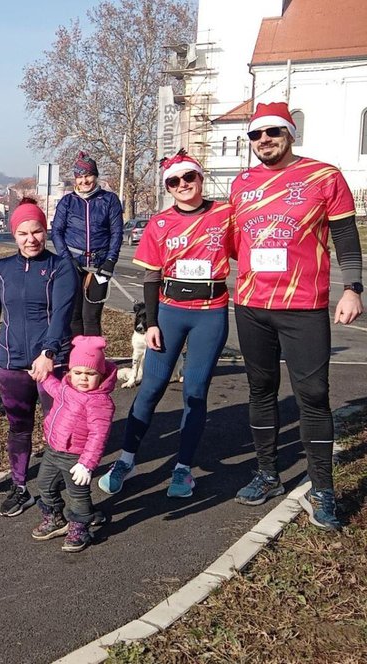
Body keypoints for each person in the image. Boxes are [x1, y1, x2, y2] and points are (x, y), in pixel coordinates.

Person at [228, 101, 362, 532]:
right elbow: (232, 239)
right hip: (251, 305)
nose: (264, 140)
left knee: (313, 395)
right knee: (261, 389)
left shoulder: (325, 176)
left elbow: (343, 234)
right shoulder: (241, 182)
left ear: (289, 133)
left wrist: (353, 288)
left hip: (303, 306)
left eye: (273, 132)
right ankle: (267, 474)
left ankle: (323, 488)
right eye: (256, 134)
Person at [96, 151, 233, 499]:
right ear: (168, 187)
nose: (183, 185)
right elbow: (151, 276)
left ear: (201, 179)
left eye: (190, 178)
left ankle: (183, 469)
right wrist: (152, 323)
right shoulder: (158, 223)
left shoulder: (225, 214)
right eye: (174, 181)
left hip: (210, 313)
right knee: (151, 388)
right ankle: (125, 460)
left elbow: (251, 248)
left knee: (195, 393)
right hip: (170, 314)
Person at [0, 198, 78, 518]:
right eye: (23, 233)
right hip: (11, 363)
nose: (30, 239)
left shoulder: (61, 266)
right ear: (13, 235)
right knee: (19, 428)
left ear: (45, 231)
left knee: (56, 428)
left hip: (52, 363)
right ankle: (19, 487)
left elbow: (61, 315)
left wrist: (48, 353)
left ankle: (55, 489)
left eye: (36, 231)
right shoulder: (1, 270)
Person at [31, 335, 114, 553]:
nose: (83, 378)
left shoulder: (100, 402)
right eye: (78, 373)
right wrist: (42, 376)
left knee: (77, 493)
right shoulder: (67, 388)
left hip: (76, 457)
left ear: (101, 374)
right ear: (69, 372)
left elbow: (99, 435)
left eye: (90, 374)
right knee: (44, 484)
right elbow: (54, 388)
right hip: (53, 449)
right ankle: (55, 517)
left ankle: (79, 526)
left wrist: (87, 463)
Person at [51, 152, 124, 337]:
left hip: (99, 265)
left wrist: (110, 261)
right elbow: (56, 232)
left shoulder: (110, 200)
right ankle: (76, 361)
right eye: (80, 177)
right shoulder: (67, 202)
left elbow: (116, 232)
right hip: (73, 263)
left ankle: (92, 361)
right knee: (74, 316)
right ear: (75, 179)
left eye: (88, 176)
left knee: (91, 317)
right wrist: (66, 259)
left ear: (96, 176)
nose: (84, 181)